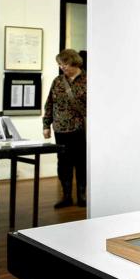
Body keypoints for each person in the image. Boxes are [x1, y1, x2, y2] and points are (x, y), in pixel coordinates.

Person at [43, 49, 87, 208]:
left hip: (81, 129)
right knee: (63, 164)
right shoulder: (57, 81)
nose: (62, 67)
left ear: (75, 62)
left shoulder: (89, 80)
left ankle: (82, 196)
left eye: (65, 64)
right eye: (60, 64)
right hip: (60, 129)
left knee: (82, 162)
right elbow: (50, 104)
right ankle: (66, 196)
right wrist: (46, 125)